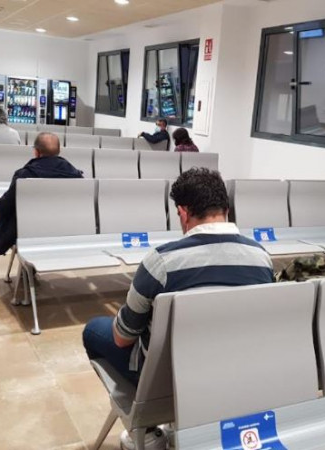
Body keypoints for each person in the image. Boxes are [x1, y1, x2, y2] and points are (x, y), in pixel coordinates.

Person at [82, 168, 274, 449]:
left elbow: (123, 338)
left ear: (183, 213)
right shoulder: (261, 258)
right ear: (227, 209)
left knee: (94, 330)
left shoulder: (161, 262)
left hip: (166, 382)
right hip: (234, 370)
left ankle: (147, 428)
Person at [0, 132, 83, 256]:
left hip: (28, 232)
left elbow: (3, 208)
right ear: (59, 151)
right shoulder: (77, 176)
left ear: (36, 152)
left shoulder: (25, 175)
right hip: (65, 230)